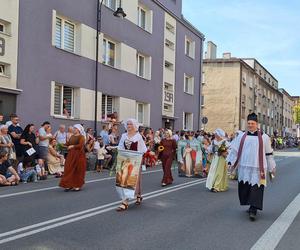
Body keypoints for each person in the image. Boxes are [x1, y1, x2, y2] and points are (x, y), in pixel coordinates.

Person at [227, 113, 276, 221]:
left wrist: (272, 167)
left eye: (252, 123)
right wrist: (230, 162)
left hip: (258, 168)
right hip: (244, 166)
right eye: (248, 123)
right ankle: (250, 205)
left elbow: (269, 154)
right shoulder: (241, 136)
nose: (250, 125)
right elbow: (234, 150)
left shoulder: (264, 137)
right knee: (246, 187)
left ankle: (254, 209)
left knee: (256, 188)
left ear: (257, 124)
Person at [116, 118, 147, 212]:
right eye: (128, 124)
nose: (129, 126)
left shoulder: (138, 137)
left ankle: (138, 195)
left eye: (130, 124)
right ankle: (124, 201)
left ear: (134, 126)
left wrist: (139, 158)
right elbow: (121, 146)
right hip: (125, 159)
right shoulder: (123, 135)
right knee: (124, 179)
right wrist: (116, 149)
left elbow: (143, 149)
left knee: (134, 180)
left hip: (135, 160)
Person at [59, 124, 86, 191]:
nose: (74, 130)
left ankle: (77, 185)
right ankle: (68, 185)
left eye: (75, 128)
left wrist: (73, 146)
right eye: (73, 128)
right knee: (69, 169)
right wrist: (62, 145)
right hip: (71, 155)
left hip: (78, 155)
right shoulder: (72, 136)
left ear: (78, 130)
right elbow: (68, 143)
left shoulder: (81, 137)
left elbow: (80, 145)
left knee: (77, 170)